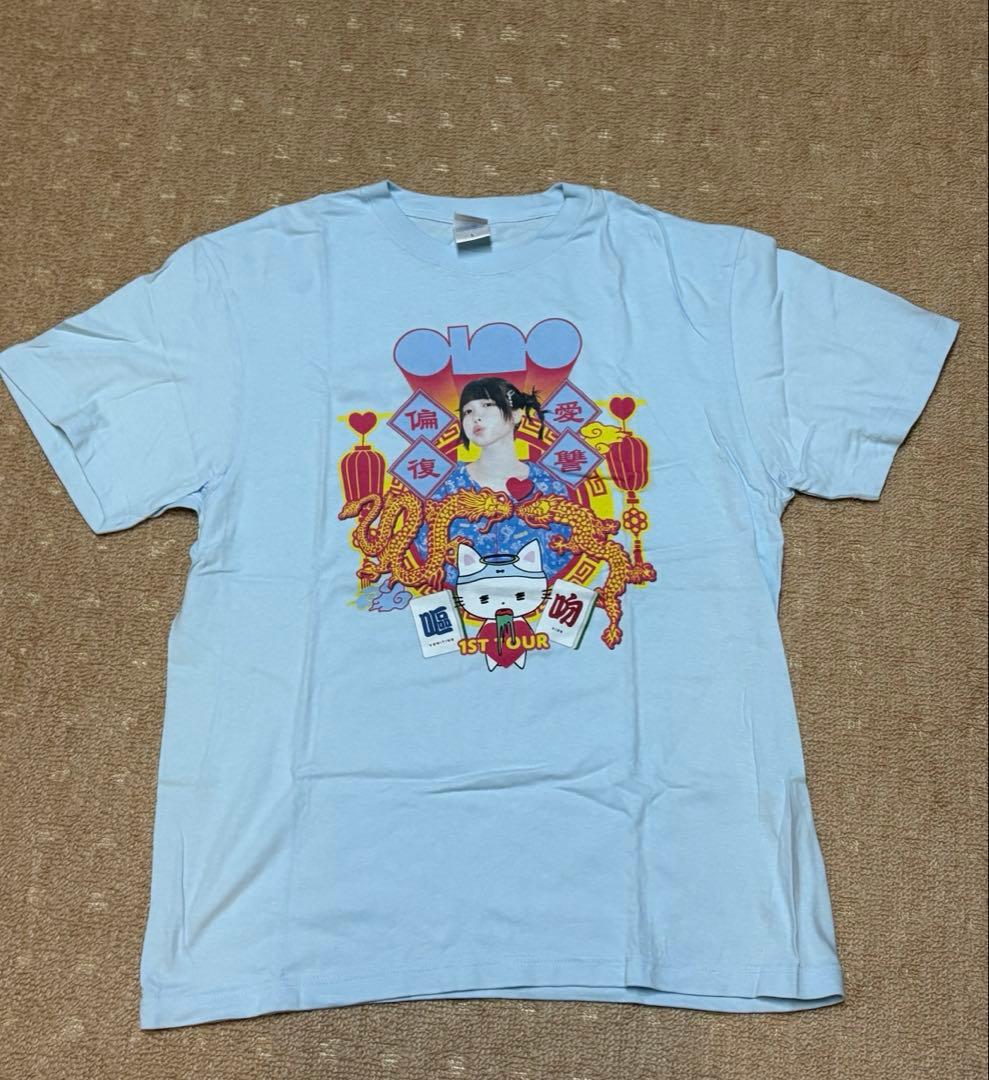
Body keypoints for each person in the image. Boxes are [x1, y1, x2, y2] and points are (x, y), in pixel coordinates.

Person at [411, 377, 575, 587]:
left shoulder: (550, 485)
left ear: (515, 414)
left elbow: (564, 552)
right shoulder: (445, 485)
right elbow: (427, 551)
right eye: (467, 411)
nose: (475, 417)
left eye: (487, 405)